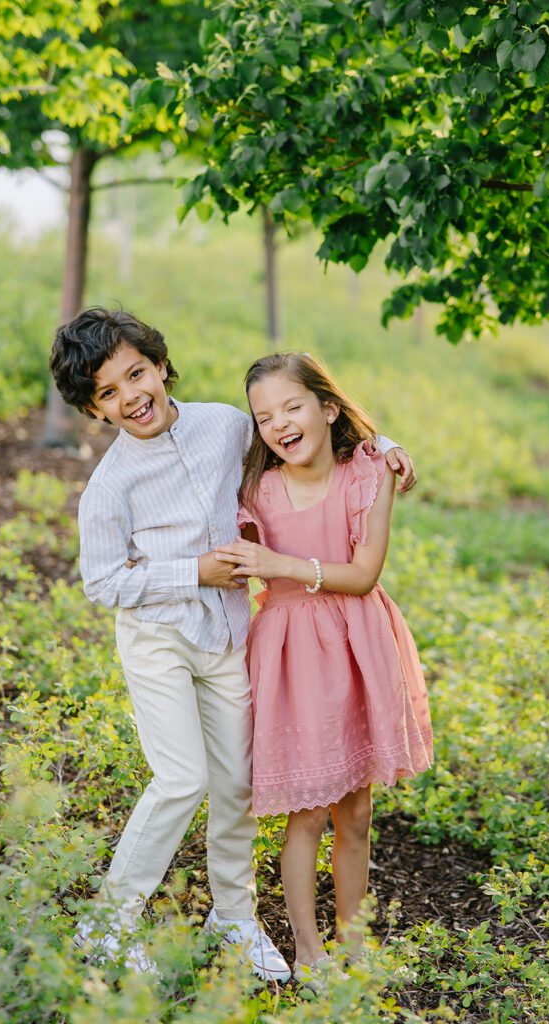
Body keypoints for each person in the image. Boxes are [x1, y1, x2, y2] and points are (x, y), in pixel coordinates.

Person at [49, 308, 417, 980]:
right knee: (182, 776)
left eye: (136, 372)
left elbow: (300, 425)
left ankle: (233, 914)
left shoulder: (223, 424)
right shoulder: (109, 487)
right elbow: (101, 580)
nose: (131, 395)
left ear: (161, 366)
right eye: (108, 391)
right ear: (95, 409)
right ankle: (107, 922)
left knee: (238, 782)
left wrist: (383, 440)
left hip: (229, 633)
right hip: (160, 637)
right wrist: (191, 571)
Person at [214, 352, 433, 991]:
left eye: (292, 406)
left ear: (327, 408)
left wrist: (278, 563)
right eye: (264, 417)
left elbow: (364, 575)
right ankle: (308, 947)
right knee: (307, 810)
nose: (279, 423)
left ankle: (353, 940)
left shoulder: (368, 475)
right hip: (291, 655)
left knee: (356, 811)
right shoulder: (253, 490)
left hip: (360, 644)